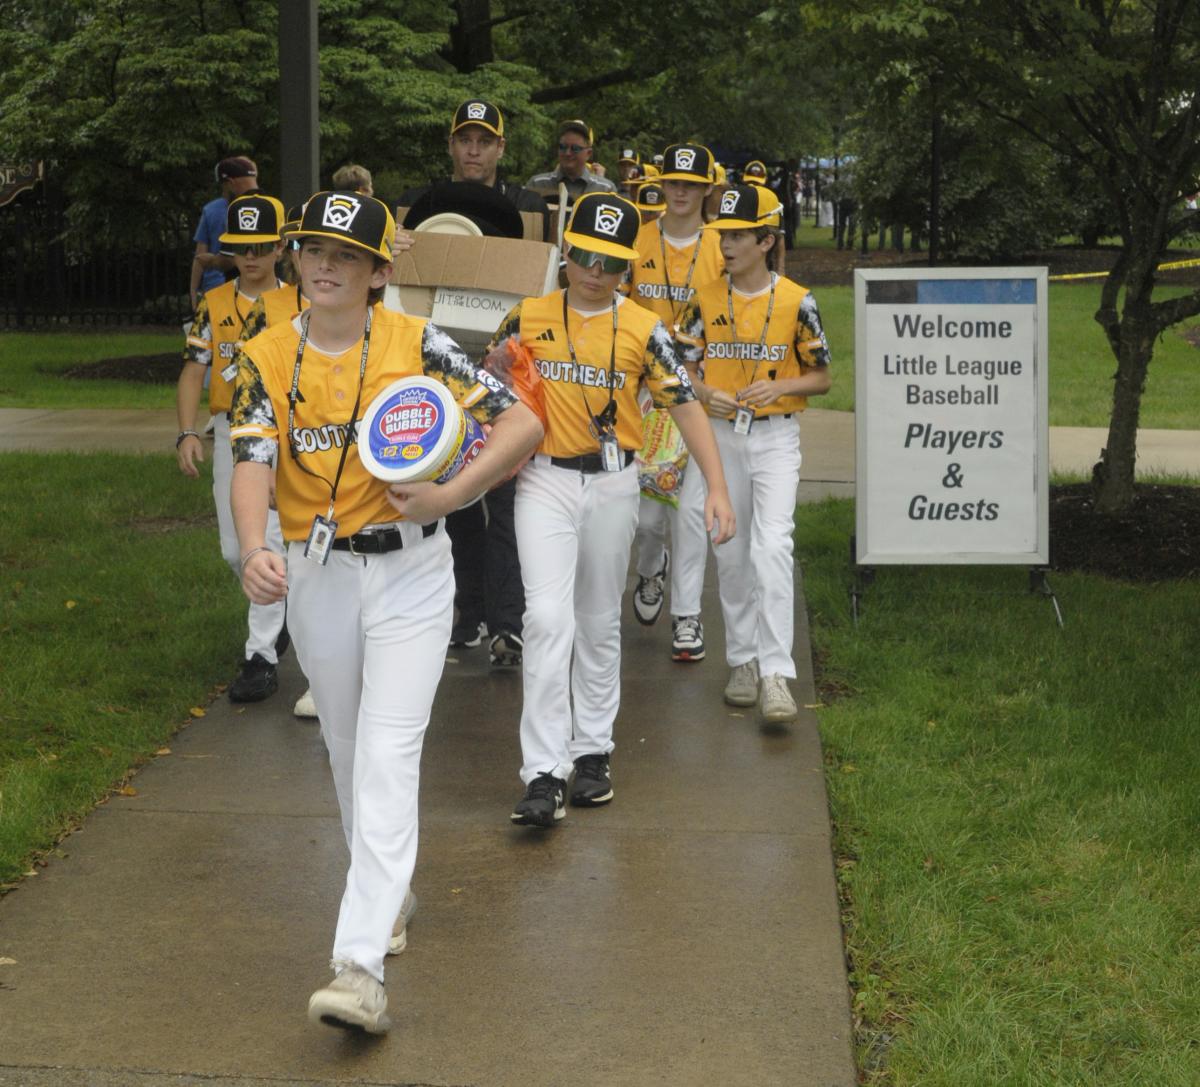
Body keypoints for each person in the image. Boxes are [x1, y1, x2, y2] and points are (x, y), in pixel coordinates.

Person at [230, 190, 541, 1031]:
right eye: (313, 251)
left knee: (389, 752)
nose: (323, 266)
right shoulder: (259, 356)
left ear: (376, 273)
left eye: (346, 256)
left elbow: (518, 423)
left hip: (411, 575)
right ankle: (390, 890)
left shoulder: (417, 342)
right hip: (319, 572)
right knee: (343, 748)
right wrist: (257, 543)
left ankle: (358, 965)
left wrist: (449, 491)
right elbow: (253, 454)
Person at [489, 192, 735, 828]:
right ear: (567, 251)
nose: (597, 273)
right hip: (544, 479)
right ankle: (543, 771)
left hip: (614, 481)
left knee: (596, 618)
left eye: (614, 263)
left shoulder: (644, 329)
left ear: (628, 267)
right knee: (545, 617)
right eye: (587, 257)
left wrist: (716, 486)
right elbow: (486, 389)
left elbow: (684, 407)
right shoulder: (527, 315)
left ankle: (592, 750)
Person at [396, 99, 550, 663]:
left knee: (506, 499)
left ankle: (510, 622)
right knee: (453, 494)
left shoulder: (529, 207)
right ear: (452, 144)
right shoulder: (417, 207)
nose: (474, 150)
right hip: (436, 368)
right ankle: (469, 609)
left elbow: (542, 279)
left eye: (485, 140)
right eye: (465, 139)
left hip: (504, 369)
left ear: (501, 148)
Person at [675, 184, 831, 724]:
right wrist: (702, 392)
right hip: (720, 437)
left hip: (776, 437)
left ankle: (776, 673)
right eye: (722, 235)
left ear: (766, 240)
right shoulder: (703, 298)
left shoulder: (797, 300)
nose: (727, 246)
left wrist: (782, 384)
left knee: (773, 547)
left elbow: (824, 378)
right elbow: (682, 372)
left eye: (738, 236)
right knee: (731, 547)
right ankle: (742, 660)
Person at [176, 193, 290, 703]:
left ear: (281, 248)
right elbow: (194, 370)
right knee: (234, 547)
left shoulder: (301, 300)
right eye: (242, 246)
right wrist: (185, 432)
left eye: (263, 245)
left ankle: (260, 656)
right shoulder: (214, 303)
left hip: (286, 431)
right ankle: (279, 609)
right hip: (230, 428)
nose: (252, 256)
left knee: (267, 539)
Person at [625, 144, 726, 664]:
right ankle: (650, 568)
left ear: (708, 187)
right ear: (662, 184)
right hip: (644, 385)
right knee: (646, 513)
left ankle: (688, 615)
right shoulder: (639, 238)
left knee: (690, 510)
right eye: (672, 181)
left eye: (691, 182)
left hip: (700, 386)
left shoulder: (720, 244)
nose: (680, 191)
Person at [190, 156, 258, 311]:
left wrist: (193, 292)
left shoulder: (216, 210)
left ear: (230, 183)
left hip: (217, 287)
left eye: (223, 185)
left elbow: (203, 254)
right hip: (256, 289)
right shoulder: (271, 207)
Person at [526, 119, 617, 206]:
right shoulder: (537, 184)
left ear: (588, 154)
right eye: (563, 147)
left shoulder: (605, 189)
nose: (567, 153)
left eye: (575, 148)